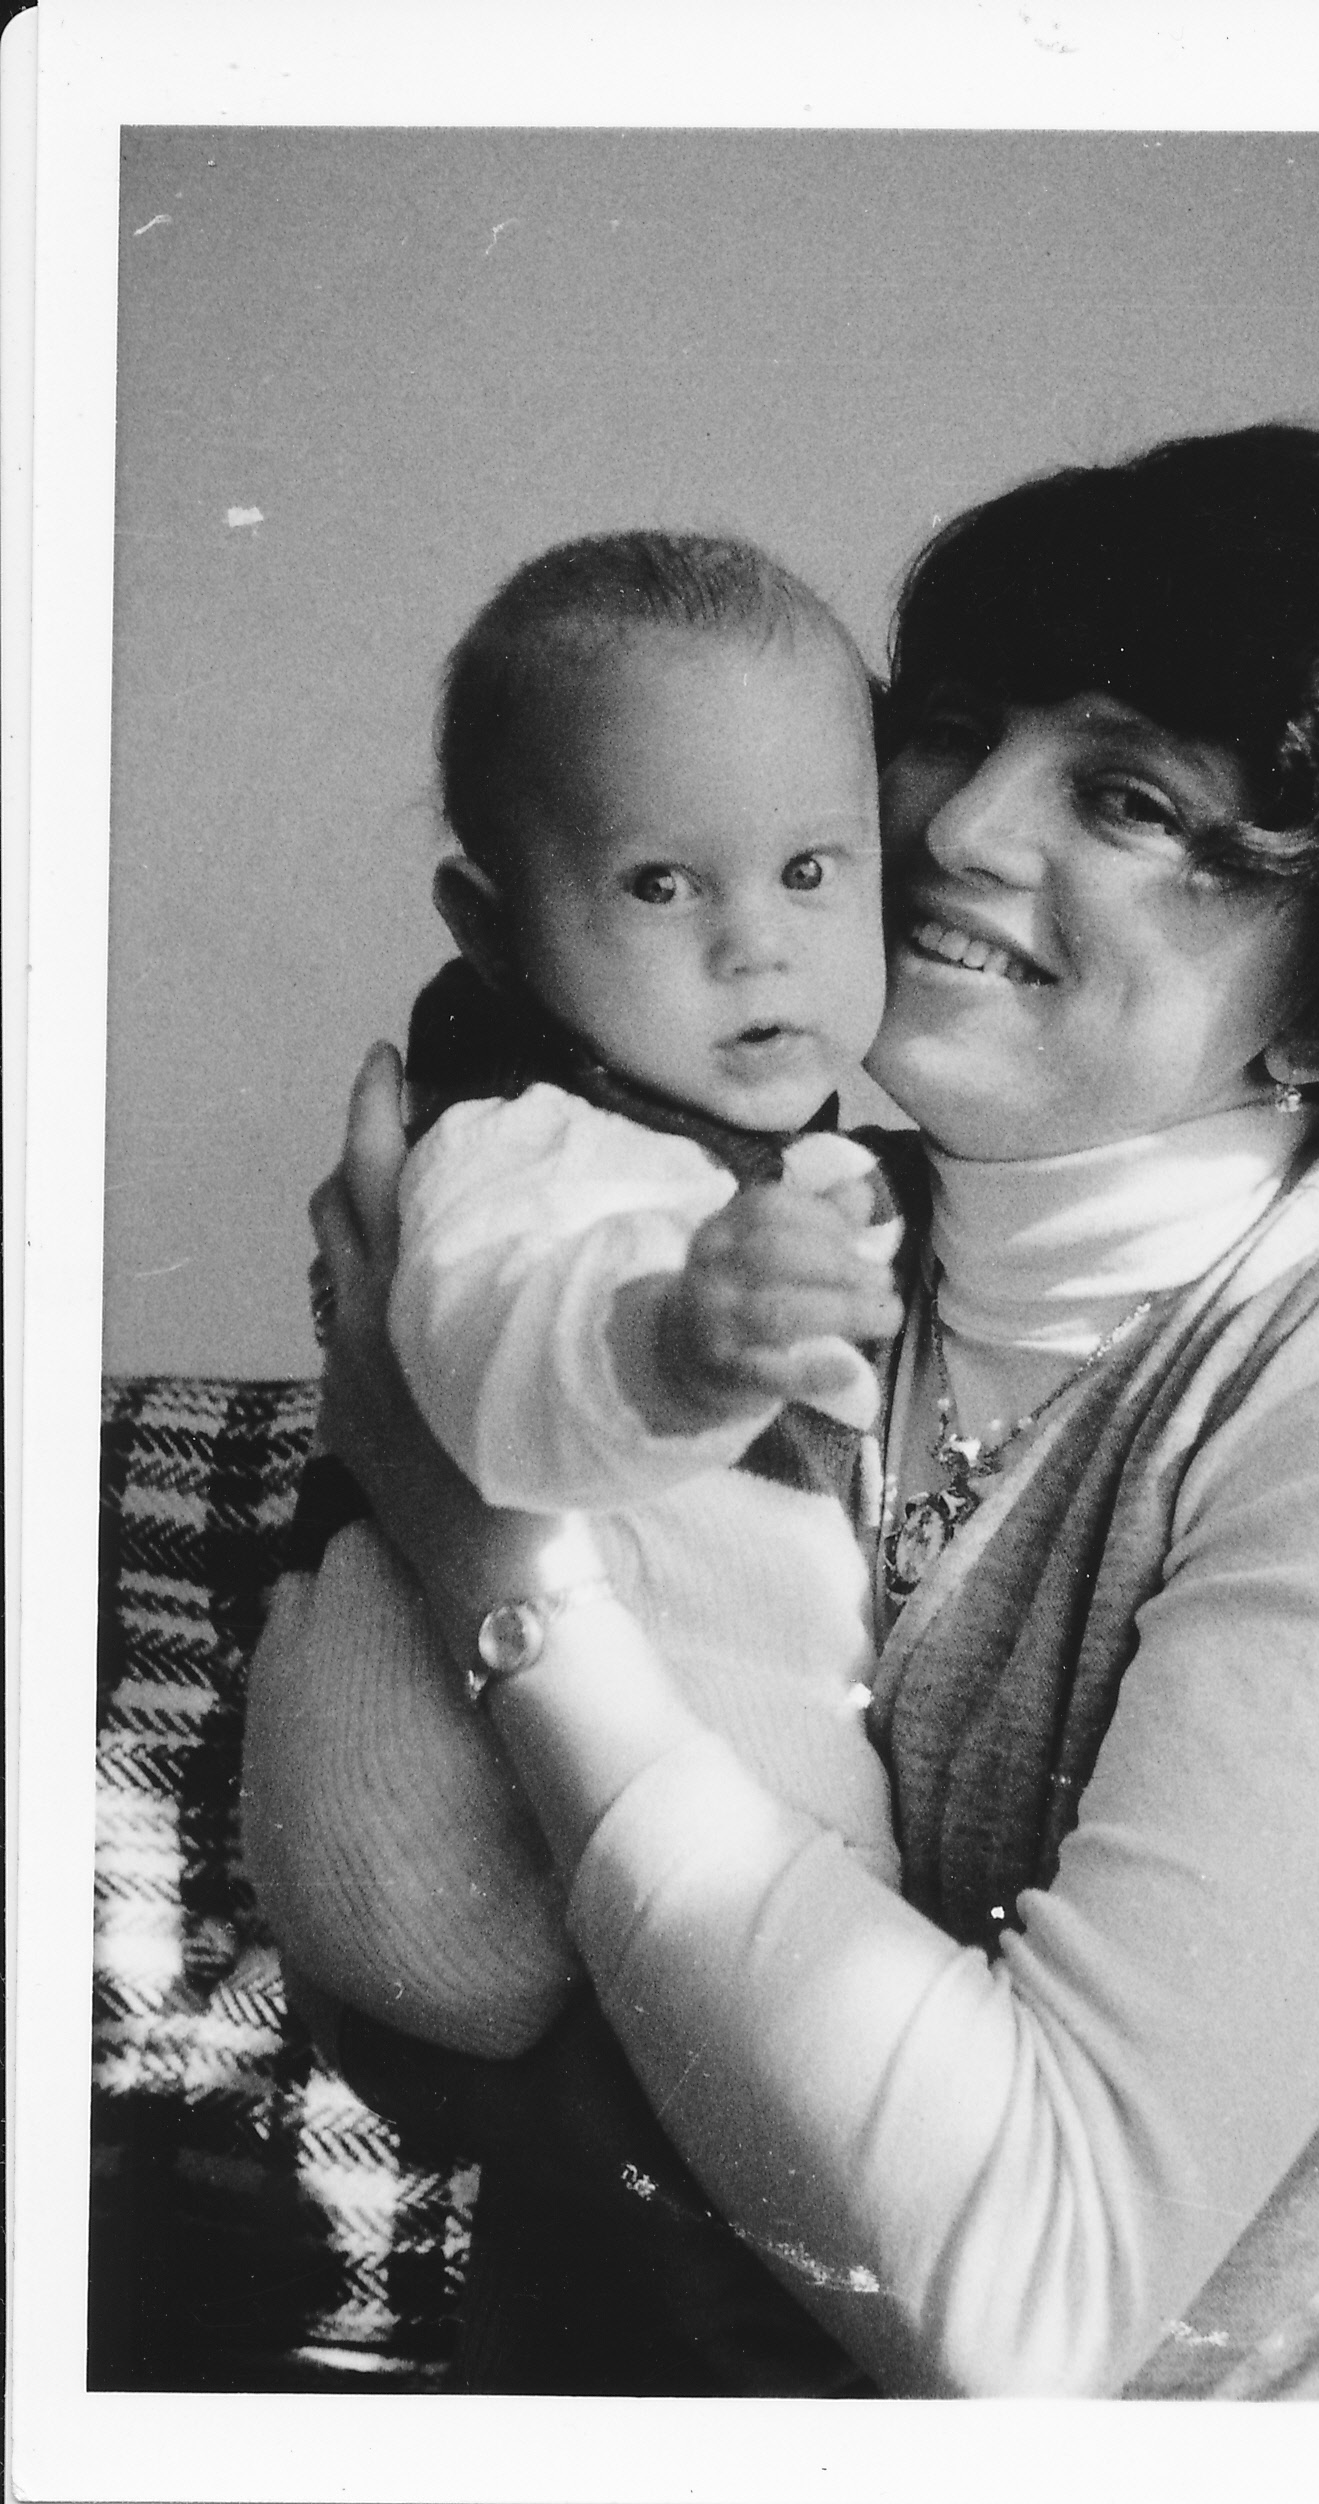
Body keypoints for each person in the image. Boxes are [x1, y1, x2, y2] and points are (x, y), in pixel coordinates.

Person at [280, 423, 1319, 2399]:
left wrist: (487, 1556)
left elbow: (1030, 2295)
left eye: (1127, 797)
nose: (963, 826)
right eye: (955, 729)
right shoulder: (732, 1221)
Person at [243, 532, 902, 2069]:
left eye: (812, 871)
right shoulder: (518, 1140)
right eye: (661, 883)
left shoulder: (776, 1157)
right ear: (493, 929)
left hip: (623, 1813)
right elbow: (496, 1352)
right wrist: (671, 1342)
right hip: (456, 1822)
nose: (758, 945)